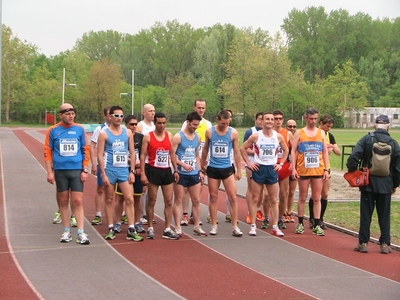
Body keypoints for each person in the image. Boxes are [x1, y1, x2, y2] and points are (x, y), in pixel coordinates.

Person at [347, 114, 400, 254]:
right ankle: (385, 244)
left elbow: (353, 157)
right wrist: (394, 184)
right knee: (385, 215)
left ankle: (363, 243)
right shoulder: (394, 143)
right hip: (386, 184)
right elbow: (398, 168)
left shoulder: (366, 139)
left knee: (366, 214)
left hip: (367, 183)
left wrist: (353, 171)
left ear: (375, 125)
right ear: (388, 126)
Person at [44, 103, 90, 244]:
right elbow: (48, 151)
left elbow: (85, 149)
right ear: (61, 115)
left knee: (78, 201)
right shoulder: (53, 130)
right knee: (63, 201)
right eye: (68, 114)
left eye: (73, 114)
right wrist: (49, 172)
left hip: (76, 170)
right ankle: (66, 231)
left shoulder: (79, 129)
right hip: (60, 171)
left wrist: (85, 169)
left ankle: (81, 233)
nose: (71, 116)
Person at [97, 106, 143, 242]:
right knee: (109, 200)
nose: (119, 118)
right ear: (110, 117)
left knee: (130, 199)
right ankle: (111, 227)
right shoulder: (104, 133)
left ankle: (131, 228)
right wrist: (103, 174)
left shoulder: (127, 132)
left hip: (124, 170)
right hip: (110, 170)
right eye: (116, 116)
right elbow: (99, 155)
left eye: (121, 116)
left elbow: (132, 152)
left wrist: (132, 171)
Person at [240, 112, 289, 237]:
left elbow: (286, 150)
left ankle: (275, 226)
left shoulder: (278, 137)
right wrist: (248, 164)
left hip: (272, 169)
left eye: (272, 119)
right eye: (267, 119)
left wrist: (281, 164)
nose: (270, 121)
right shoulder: (256, 136)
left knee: (273, 199)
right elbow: (242, 148)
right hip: (259, 168)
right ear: (262, 121)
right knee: (255, 198)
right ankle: (253, 226)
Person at [201, 110, 243, 237]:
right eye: (223, 123)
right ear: (218, 120)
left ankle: (235, 226)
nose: (225, 125)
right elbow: (205, 148)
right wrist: (202, 164)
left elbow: (236, 152)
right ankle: (214, 225)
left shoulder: (233, 133)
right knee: (213, 197)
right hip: (213, 168)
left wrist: (239, 170)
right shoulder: (210, 132)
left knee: (233, 197)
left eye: (227, 123)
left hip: (227, 168)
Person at [140, 112, 179, 240]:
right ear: (155, 123)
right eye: (159, 123)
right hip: (153, 170)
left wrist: (176, 170)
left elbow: (172, 153)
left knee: (169, 201)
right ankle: (150, 227)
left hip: (166, 170)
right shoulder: (148, 137)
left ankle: (167, 228)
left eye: (164, 123)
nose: (162, 125)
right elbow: (143, 156)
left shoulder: (169, 135)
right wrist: (143, 173)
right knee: (152, 200)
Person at [291, 108, 329, 236]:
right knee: (302, 196)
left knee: (317, 197)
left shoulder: (321, 133)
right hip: (303, 170)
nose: (313, 121)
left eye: (315, 119)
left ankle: (317, 224)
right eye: (311, 119)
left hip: (318, 169)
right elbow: (293, 150)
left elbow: (324, 152)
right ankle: (300, 223)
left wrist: (327, 169)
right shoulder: (300, 133)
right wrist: (294, 168)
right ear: (306, 118)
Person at [171, 112, 207, 237]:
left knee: (197, 200)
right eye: (193, 125)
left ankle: (197, 226)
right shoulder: (178, 137)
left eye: (197, 125)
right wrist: (182, 165)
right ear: (187, 122)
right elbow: (172, 156)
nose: (195, 127)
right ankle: (177, 226)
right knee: (179, 200)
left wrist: (200, 170)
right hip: (181, 173)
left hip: (193, 173)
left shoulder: (197, 137)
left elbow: (197, 155)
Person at [180, 99, 212, 226]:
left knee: (199, 188)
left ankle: (194, 214)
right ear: (194, 107)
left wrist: (205, 161)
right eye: (199, 107)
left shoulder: (208, 124)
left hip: (201, 160)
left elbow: (208, 143)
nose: (201, 110)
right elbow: (182, 140)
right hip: (188, 159)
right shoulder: (186, 123)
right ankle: (185, 215)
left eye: (203, 108)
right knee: (186, 190)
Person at [114, 115, 146, 234]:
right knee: (120, 198)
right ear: (126, 125)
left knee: (137, 198)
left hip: (137, 171)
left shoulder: (141, 137)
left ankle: (137, 223)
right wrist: (130, 161)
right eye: (131, 124)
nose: (134, 126)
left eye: (135, 124)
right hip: (123, 170)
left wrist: (141, 169)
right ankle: (117, 223)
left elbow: (144, 155)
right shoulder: (121, 136)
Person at [309, 114, 342, 229]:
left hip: (326, 168)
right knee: (315, 195)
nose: (329, 128)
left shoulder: (329, 135)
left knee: (325, 194)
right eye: (327, 126)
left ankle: (320, 219)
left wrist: (332, 146)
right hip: (314, 167)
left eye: (331, 127)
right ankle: (313, 218)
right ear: (321, 124)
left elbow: (339, 152)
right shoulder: (314, 133)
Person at [89, 106, 112, 226]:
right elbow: (92, 146)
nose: (111, 117)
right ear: (105, 116)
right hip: (103, 163)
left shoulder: (122, 129)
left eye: (113, 114)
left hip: (118, 165)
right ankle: (98, 214)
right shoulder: (100, 129)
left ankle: (121, 213)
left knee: (119, 190)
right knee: (101, 188)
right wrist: (94, 163)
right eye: (109, 115)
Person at [273, 110, 293, 231]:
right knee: (268, 195)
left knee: (284, 194)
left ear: (283, 120)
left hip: (284, 165)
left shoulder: (288, 134)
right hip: (270, 165)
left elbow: (294, 149)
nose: (278, 120)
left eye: (280, 118)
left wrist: (293, 164)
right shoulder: (267, 133)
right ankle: (267, 216)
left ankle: (280, 217)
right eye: (276, 118)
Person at [242, 112, 265, 224]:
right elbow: (244, 149)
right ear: (256, 120)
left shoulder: (268, 133)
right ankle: (250, 212)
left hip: (264, 165)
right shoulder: (250, 132)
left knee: (262, 190)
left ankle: (258, 209)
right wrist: (256, 153)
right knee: (251, 189)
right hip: (252, 164)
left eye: (263, 119)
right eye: (260, 119)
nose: (261, 121)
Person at [137, 103, 156, 225]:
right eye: (150, 111)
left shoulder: (155, 125)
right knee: (142, 189)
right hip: (142, 161)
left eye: (154, 111)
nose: (152, 113)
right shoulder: (140, 126)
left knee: (150, 189)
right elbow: (136, 144)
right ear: (144, 113)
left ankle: (147, 213)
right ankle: (141, 213)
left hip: (153, 161)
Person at [285, 119, 297, 223]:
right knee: (285, 192)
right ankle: (283, 212)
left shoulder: (298, 136)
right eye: (290, 126)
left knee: (292, 191)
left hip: (294, 167)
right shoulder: (284, 136)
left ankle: (289, 212)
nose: (292, 128)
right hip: (284, 167)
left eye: (294, 126)